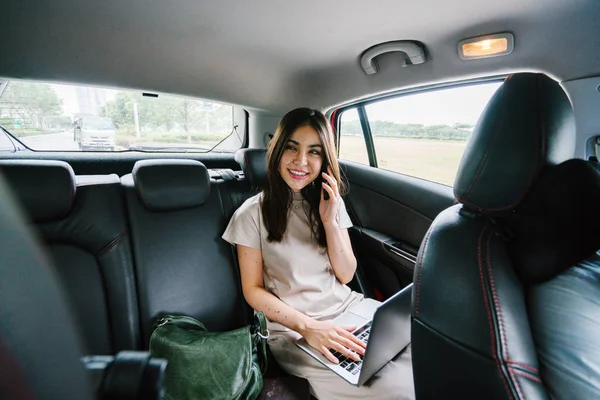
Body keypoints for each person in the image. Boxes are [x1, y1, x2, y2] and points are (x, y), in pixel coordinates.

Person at [222, 108, 414, 399]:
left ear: (325, 159)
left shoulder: (330, 203)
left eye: (314, 151)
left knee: (426, 353)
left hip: (351, 309)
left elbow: (346, 274)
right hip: (296, 330)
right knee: (393, 391)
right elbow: (253, 290)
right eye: (292, 147)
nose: (301, 161)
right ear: (276, 150)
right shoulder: (251, 214)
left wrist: (329, 221)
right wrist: (309, 327)